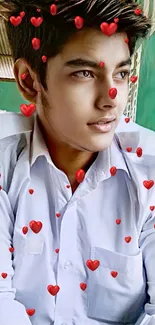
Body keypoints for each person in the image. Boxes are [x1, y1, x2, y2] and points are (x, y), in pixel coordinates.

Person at [0, 0, 155, 324]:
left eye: (122, 73)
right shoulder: (5, 163)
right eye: (84, 73)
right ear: (29, 81)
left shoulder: (148, 170)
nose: (110, 98)